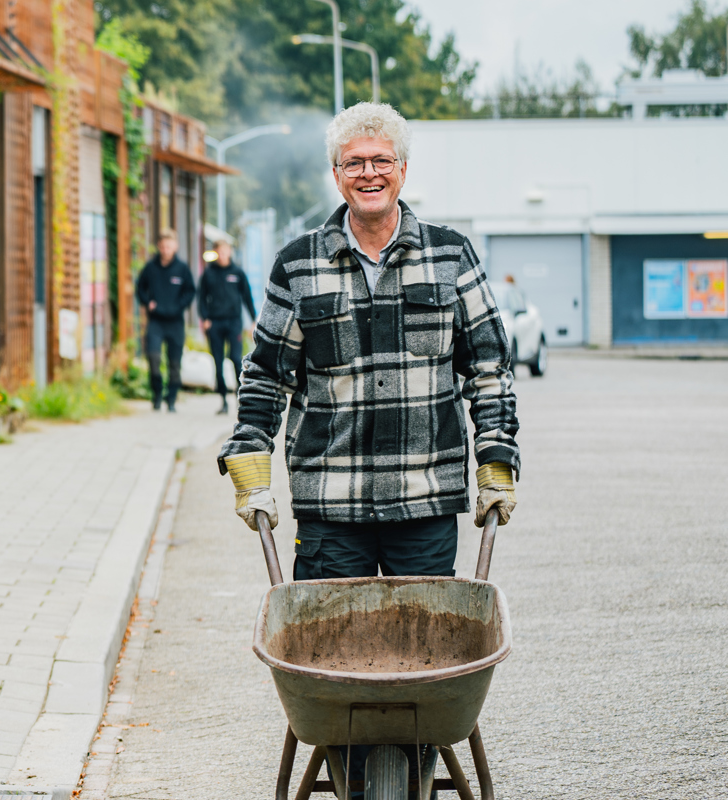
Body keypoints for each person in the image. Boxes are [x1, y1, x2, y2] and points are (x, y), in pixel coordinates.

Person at [218, 101, 519, 786]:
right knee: (332, 676)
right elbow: (266, 374)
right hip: (331, 510)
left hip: (424, 503)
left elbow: (490, 366)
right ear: (336, 173)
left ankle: (407, 768)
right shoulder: (300, 264)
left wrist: (496, 462)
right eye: (355, 162)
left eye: (382, 160)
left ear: (403, 169)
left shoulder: (451, 255)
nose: (369, 172)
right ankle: (358, 772)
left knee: (425, 670)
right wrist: (249, 468)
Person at [136, 229, 196, 411]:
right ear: (158, 247)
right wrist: (147, 303)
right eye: (162, 246)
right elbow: (140, 288)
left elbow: (190, 291)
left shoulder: (182, 268)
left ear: (175, 247)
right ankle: (156, 395)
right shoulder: (151, 268)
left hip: (175, 322)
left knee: (174, 363)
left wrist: (179, 306)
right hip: (156, 322)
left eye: (168, 246)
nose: (165, 250)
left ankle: (171, 400)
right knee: (153, 359)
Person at [199, 240, 258, 415]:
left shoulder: (238, 272)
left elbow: (247, 296)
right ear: (216, 253)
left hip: (234, 322)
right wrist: (205, 318)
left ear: (230, 252)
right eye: (219, 251)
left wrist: (253, 320)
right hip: (215, 322)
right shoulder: (208, 273)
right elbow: (201, 297)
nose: (223, 255)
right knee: (217, 361)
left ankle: (241, 398)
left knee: (235, 358)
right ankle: (223, 400)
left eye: (225, 251)